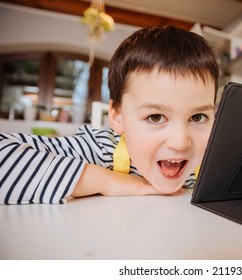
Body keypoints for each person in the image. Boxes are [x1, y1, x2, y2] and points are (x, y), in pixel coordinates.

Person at [0, 25, 219, 205]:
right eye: (155, 117)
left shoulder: (208, 161)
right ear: (117, 116)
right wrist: (107, 181)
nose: (181, 142)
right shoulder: (100, 151)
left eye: (198, 117)